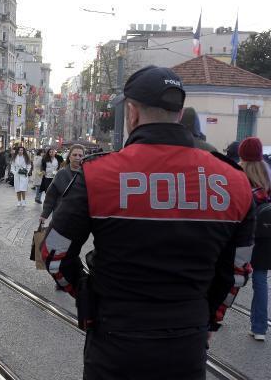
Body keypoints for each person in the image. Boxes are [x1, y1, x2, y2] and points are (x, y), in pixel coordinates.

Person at [41, 66, 255, 380]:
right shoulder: (233, 181)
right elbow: (237, 271)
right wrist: (209, 319)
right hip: (187, 341)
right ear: (180, 113)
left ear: (131, 113)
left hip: (115, 338)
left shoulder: (99, 174)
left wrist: (89, 294)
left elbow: (54, 253)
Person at [238, 137, 271, 341]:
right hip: (266, 236)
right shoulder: (268, 174)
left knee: (228, 275)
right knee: (260, 280)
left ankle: (217, 317)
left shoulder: (237, 174)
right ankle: (259, 328)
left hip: (243, 234)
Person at [40, 144, 85, 224]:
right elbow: (51, 196)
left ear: (83, 157)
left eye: (80, 155)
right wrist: (44, 214)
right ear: (69, 157)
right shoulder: (61, 174)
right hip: (61, 216)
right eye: (74, 155)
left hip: (79, 218)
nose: (77, 158)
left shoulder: (87, 175)